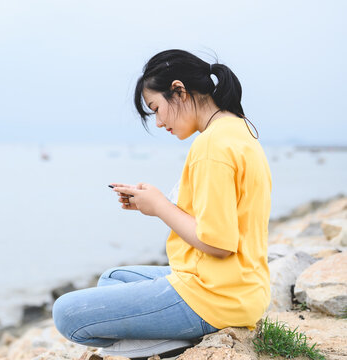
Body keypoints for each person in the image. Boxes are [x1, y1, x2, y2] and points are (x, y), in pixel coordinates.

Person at [52, 49, 272, 359]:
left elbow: (220, 244)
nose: (158, 122)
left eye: (156, 108)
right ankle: (169, 333)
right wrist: (154, 201)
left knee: (66, 314)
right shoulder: (236, 128)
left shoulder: (212, 146)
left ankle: (173, 342)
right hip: (241, 286)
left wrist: (160, 208)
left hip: (216, 296)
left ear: (179, 91)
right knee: (112, 279)